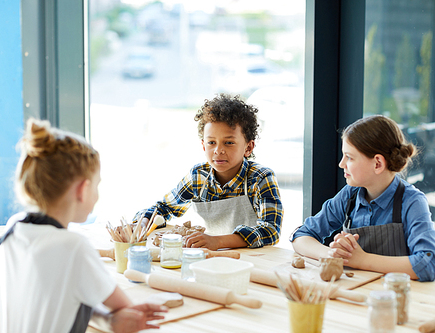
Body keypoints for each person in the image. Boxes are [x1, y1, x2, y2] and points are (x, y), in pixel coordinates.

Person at [0, 118, 167, 333]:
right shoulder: (72, 245)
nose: (97, 194)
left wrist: (108, 320)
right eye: (97, 184)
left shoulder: (15, 227)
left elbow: (58, 301)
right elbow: (125, 308)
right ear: (83, 190)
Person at [291, 115, 435, 282]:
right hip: (353, 296)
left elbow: (428, 263)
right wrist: (334, 255)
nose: (341, 164)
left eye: (349, 157)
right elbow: (300, 235)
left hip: (394, 299)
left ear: (377, 164)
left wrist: (362, 260)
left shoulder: (412, 202)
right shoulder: (349, 195)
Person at [133, 94, 283, 250]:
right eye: (212, 142)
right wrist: (142, 223)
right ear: (203, 145)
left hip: (251, 262)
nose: (218, 150)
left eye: (229, 142)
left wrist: (217, 241)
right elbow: (163, 208)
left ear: (248, 148)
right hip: (210, 259)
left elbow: (270, 230)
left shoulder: (260, 178)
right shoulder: (198, 176)